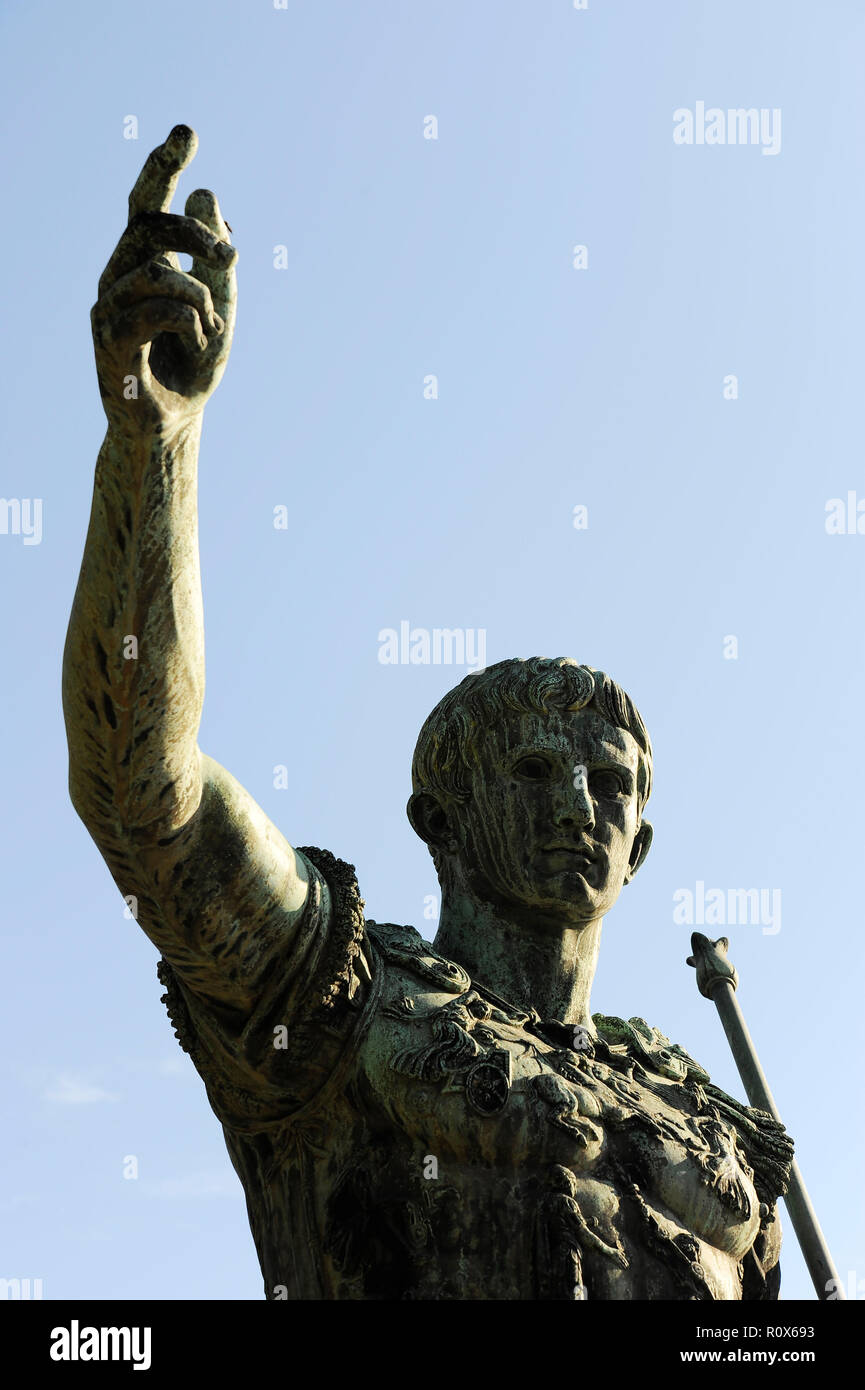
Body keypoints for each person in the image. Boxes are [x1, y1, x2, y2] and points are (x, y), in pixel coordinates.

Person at [63, 127, 792, 1301]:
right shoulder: (343, 997)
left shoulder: (694, 1100)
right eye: (534, 771)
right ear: (438, 818)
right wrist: (157, 439)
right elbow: (148, 799)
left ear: (640, 847)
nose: (579, 805)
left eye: (610, 786)